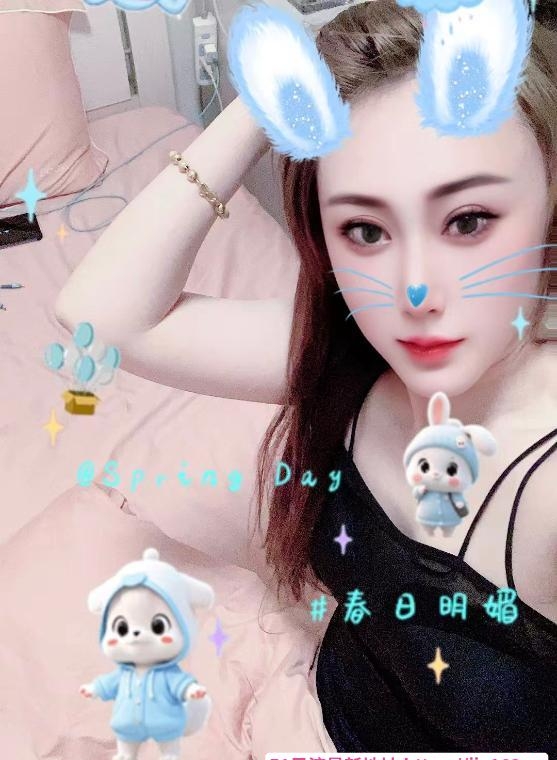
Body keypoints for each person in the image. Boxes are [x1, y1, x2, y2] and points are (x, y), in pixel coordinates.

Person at [55, 0, 557, 752]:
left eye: (467, 221)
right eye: (365, 229)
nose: (415, 292)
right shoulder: (353, 356)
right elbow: (102, 316)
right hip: (311, 717)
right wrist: (264, 98)